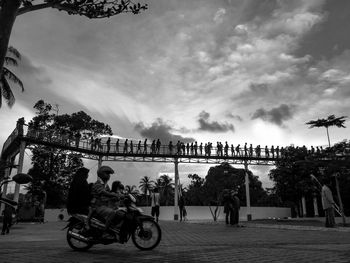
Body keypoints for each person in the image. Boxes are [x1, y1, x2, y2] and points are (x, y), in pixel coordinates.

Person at [88, 166, 122, 238]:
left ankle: (113, 228)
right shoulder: (98, 184)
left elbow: (109, 194)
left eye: (109, 174)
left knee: (119, 213)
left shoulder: (106, 185)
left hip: (103, 205)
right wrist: (114, 195)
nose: (109, 175)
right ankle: (105, 232)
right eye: (107, 173)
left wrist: (120, 197)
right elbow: (104, 193)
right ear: (102, 174)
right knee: (112, 212)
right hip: (97, 206)